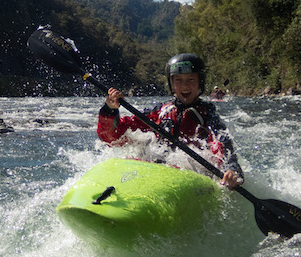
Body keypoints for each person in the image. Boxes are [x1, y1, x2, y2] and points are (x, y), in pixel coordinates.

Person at [97, 53, 244, 189]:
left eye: (191, 80)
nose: (185, 85)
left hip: (190, 178)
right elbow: (112, 138)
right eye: (178, 80)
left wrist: (231, 170)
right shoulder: (160, 112)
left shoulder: (208, 116)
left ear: (200, 82)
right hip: (158, 170)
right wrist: (110, 110)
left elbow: (223, 146)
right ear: (172, 84)